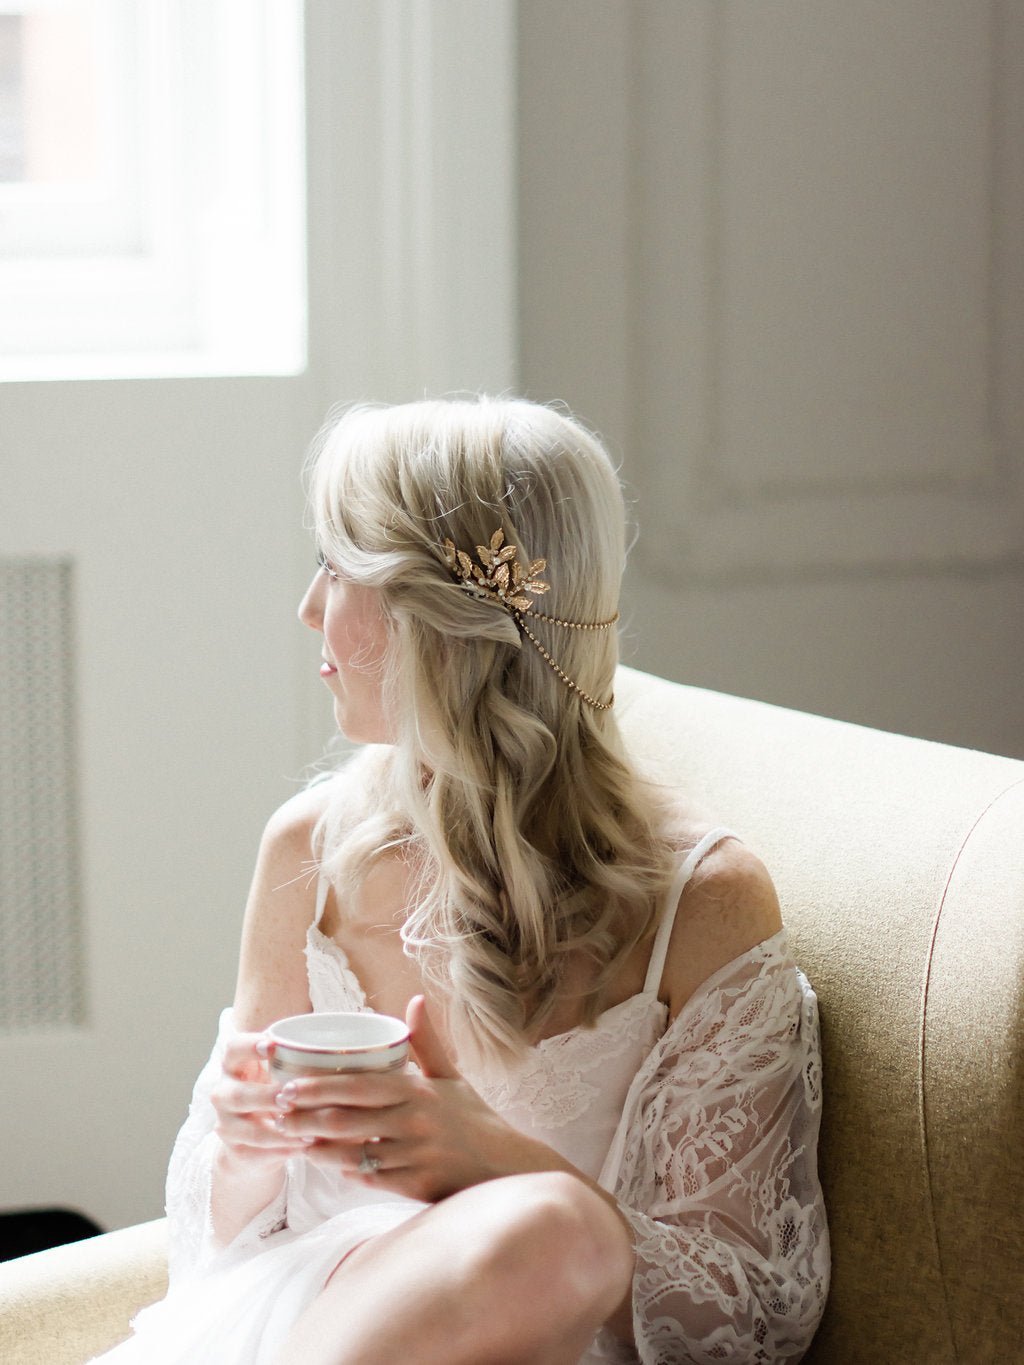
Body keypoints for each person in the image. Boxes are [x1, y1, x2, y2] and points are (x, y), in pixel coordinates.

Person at [96, 398, 829, 1364]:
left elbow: (752, 1316)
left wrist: (495, 1158)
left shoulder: (699, 901)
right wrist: (241, 1141)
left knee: (553, 1232)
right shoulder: (307, 852)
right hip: (289, 1320)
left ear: (440, 618)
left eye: (338, 568)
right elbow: (208, 1240)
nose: (307, 607)